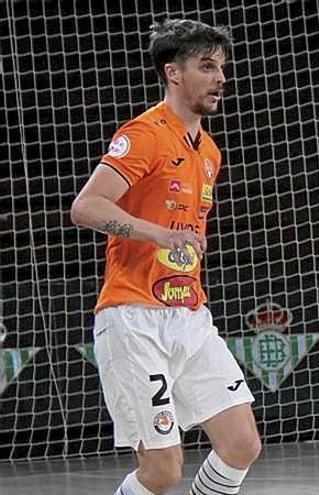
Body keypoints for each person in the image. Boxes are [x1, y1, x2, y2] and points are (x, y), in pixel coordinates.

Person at [70, 19, 261, 495]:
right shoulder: (144, 134)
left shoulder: (209, 152)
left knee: (241, 443)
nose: (221, 78)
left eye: (222, 67)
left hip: (188, 315)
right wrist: (159, 234)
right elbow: (86, 207)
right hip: (133, 318)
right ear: (173, 73)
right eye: (207, 67)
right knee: (163, 472)